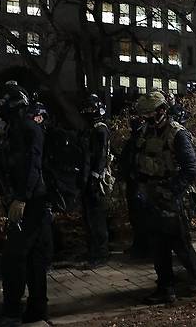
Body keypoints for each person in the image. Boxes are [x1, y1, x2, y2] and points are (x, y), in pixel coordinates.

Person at [0, 81, 51, 325]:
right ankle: (37, 309)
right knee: (34, 257)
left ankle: (12, 312)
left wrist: (21, 198)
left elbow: (32, 165)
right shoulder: (15, 127)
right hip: (29, 198)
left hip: (31, 200)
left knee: (14, 256)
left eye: (2, 102)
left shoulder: (27, 128)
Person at [132, 91, 196, 304]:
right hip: (151, 194)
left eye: (149, 113)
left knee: (179, 242)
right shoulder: (146, 131)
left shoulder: (177, 134)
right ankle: (166, 287)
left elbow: (190, 169)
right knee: (158, 244)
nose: (145, 118)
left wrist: (172, 191)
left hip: (172, 196)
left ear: (162, 110)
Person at [79, 94, 112, 268]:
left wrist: (94, 177)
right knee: (90, 217)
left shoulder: (100, 129)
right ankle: (93, 250)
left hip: (96, 180)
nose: (88, 112)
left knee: (97, 217)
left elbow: (100, 156)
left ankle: (101, 253)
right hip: (86, 177)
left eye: (91, 108)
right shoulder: (90, 129)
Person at [120, 115, 150, 259]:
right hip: (134, 182)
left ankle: (143, 247)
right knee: (135, 216)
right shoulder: (134, 140)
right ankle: (139, 245)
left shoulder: (142, 140)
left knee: (141, 216)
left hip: (139, 182)